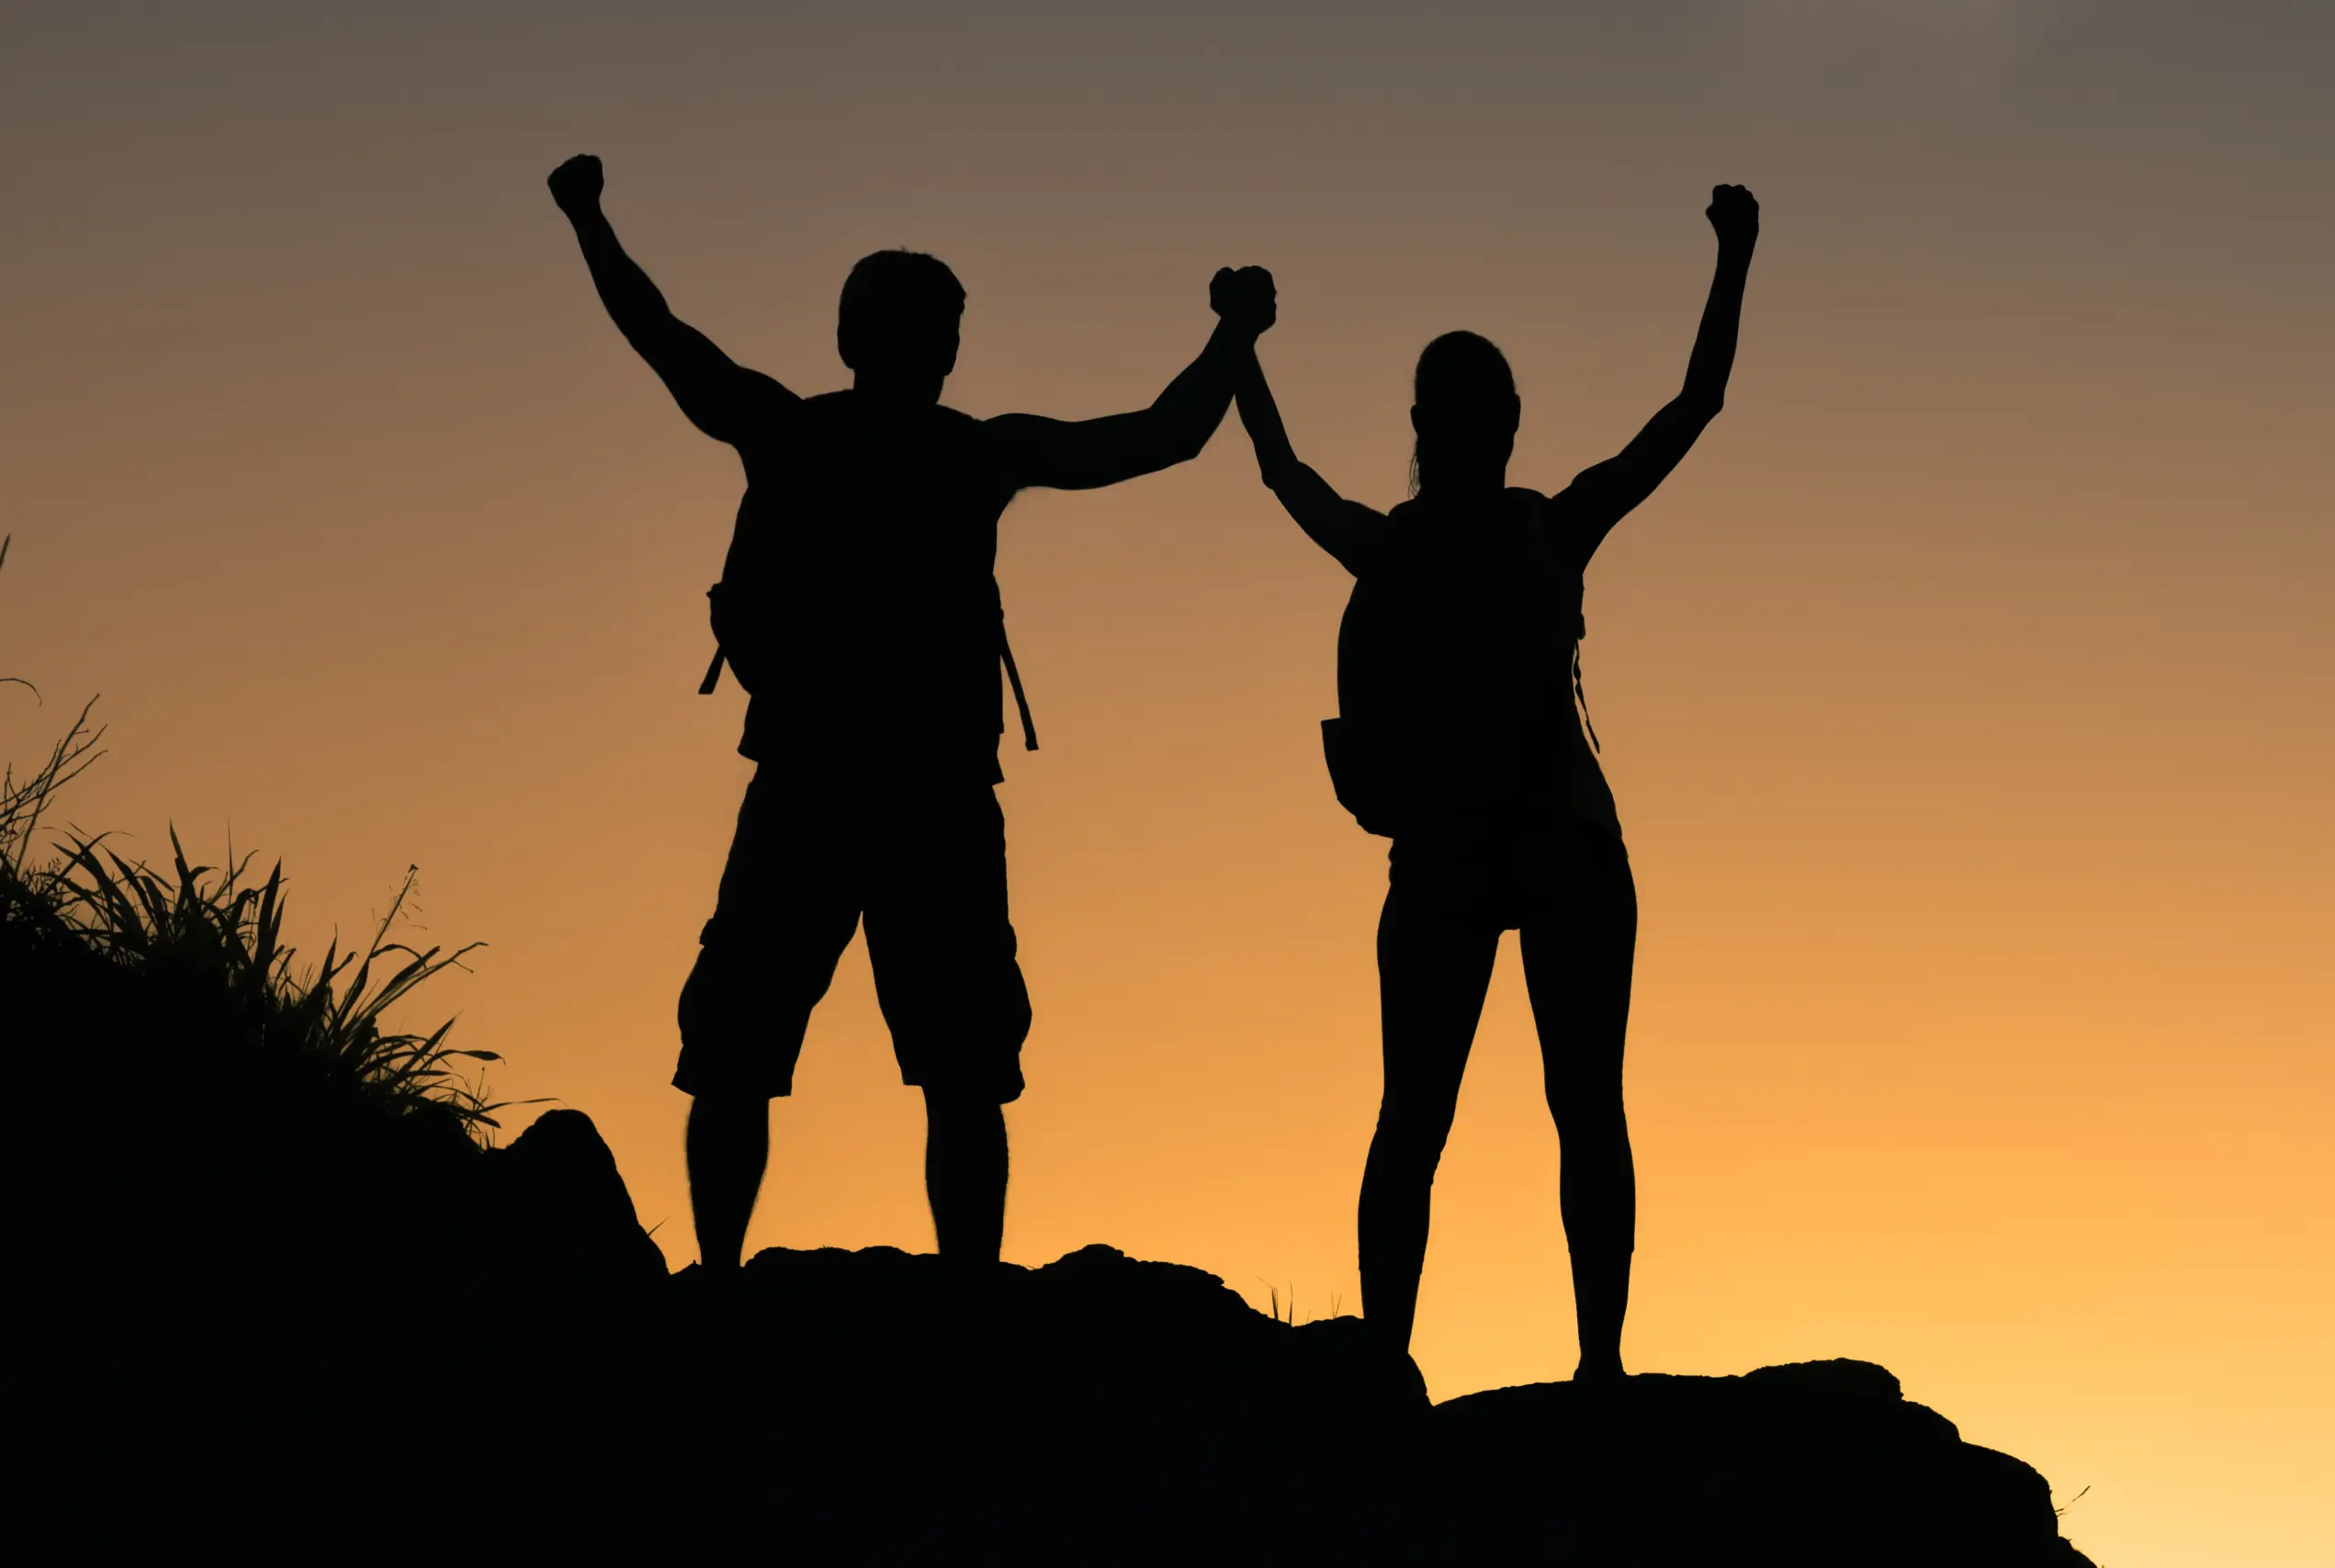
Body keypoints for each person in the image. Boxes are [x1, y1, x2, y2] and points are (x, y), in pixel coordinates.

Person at [547, 153, 1276, 1270]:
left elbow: (661, 336)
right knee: (947, 1065)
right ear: (940, 349)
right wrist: (1235, 333)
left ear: (854, 340)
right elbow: (1161, 435)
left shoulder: (797, 434)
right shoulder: (972, 454)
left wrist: (588, 218)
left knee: (775, 1050)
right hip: (913, 797)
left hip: (815, 787)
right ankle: (958, 1295)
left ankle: (729, 1282)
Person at [1234, 185, 1757, 1377]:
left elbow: (1281, 472)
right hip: (1556, 843)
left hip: (1463, 855)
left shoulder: (1399, 544)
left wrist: (1243, 352)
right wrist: (1734, 256)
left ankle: (1387, 1360)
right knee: (1576, 1108)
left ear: (1422, 419)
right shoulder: (1547, 528)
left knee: (1417, 1118)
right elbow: (1694, 408)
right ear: (1508, 420)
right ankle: (1598, 1368)